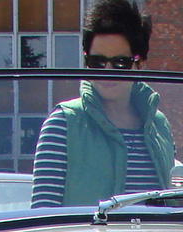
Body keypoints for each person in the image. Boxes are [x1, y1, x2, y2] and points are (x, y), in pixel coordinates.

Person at [30, 0, 173, 208]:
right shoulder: (62, 124)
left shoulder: (159, 127)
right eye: (97, 61)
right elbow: (42, 218)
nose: (107, 70)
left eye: (120, 62)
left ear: (140, 63)